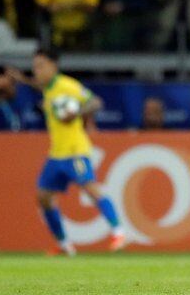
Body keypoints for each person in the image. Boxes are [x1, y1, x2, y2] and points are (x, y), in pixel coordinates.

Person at [7, 48, 127, 256]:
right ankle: (64, 244)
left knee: (89, 188)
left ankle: (118, 231)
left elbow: (96, 102)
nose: (37, 71)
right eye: (35, 67)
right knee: (43, 197)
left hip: (75, 150)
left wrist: (75, 114)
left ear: (53, 66)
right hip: (56, 153)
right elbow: (40, 85)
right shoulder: (49, 88)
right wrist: (23, 79)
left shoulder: (68, 86)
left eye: (40, 66)